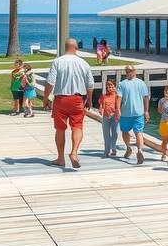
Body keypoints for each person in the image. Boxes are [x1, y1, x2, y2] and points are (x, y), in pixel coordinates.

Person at [41, 39, 93, 168]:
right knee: (77, 126)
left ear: (65, 47)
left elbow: (50, 82)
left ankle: (60, 158)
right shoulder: (84, 63)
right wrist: (90, 100)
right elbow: (90, 85)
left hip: (61, 99)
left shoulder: (57, 62)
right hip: (78, 99)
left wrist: (46, 98)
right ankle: (74, 153)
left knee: (60, 129)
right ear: (76, 47)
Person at [116, 65, 150, 165]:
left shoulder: (141, 83)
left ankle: (140, 151)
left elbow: (146, 97)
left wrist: (146, 111)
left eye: (130, 70)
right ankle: (128, 148)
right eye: (127, 71)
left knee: (138, 132)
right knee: (125, 131)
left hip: (138, 113)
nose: (129, 72)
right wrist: (118, 110)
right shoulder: (122, 84)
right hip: (125, 113)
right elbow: (118, 97)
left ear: (135, 71)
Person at [98, 79, 119, 157]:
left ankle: (113, 147)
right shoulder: (104, 96)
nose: (110, 88)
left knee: (115, 133)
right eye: (108, 87)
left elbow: (119, 107)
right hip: (106, 117)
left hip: (115, 116)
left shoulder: (117, 96)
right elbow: (101, 105)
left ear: (115, 87)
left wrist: (115, 113)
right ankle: (107, 150)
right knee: (106, 134)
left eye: (111, 86)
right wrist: (101, 109)